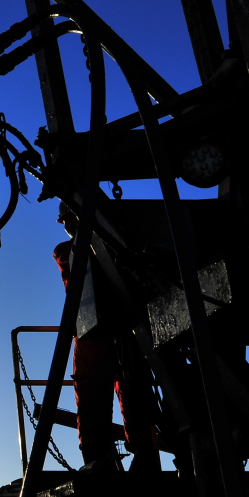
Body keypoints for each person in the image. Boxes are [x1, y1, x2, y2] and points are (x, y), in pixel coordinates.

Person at [54, 202, 161, 473]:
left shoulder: (108, 242)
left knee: (133, 390)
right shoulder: (66, 252)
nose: (69, 225)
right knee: (95, 396)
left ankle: (144, 454)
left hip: (123, 328)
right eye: (67, 221)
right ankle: (98, 460)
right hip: (94, 331)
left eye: (71, 220)